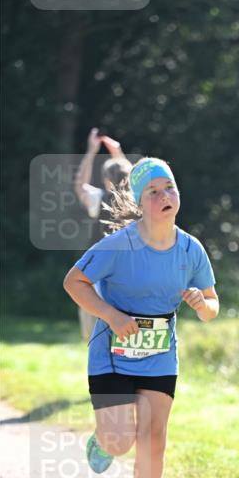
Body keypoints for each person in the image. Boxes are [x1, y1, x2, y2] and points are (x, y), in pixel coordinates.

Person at [63, 157, 219, 478]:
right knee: (119, 442)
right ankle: (102, 441)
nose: (165, 196)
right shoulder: (119, 245)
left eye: (169, 187)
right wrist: (111, 315)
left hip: (159, 354)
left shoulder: (190, 248)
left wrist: (202, 304)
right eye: (153, 191)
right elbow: (74, 281)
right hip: (112, 352)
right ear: (139, 200)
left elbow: (213, 304)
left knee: (153, 439)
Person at [74, 128, 132, 340]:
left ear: (106, 180)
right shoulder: (141, 201)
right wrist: (118, 153)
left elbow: (80, 185)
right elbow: (131, 177)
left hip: (100, 274)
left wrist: (91, 151)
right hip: (131, 276)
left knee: (95, 334)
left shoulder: (100, 199)